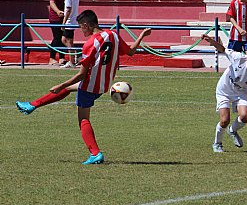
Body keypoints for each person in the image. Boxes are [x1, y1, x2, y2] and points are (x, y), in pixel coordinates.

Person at [16, 10, 152, 165]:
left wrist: (61, 84)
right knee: (67, 90)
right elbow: (131, 52)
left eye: (81, 27)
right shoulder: (113, 34)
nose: (81, 30)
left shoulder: (90, 44)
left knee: (83, 119)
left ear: (87, 25)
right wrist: (141, 36)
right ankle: (32, 105)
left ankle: (95, 153)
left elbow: (82, 75)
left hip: (89, 86)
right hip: (105, 85)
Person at [201, 35, 247, 153]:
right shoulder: (238, 58)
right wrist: (211, 41)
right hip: (224, 90)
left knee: (245, 116)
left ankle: (233, 130)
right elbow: (223, 49)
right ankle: (217, 144)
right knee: (225, 120)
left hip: (240, 93)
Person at [48, 0, 67, 65]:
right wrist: (58, 11)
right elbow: (52, 2)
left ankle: (62, 57)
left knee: (63, 38)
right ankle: (51, 57)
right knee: (57, 37)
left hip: (64, 18)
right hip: (55, 18)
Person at [60, 0, 79, 68]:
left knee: (69, 41)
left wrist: (63, 22)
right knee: (64, 40)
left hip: (69, 21)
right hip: (73, 20)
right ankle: (75, 55)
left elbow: (68, 9)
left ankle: (72, 61)